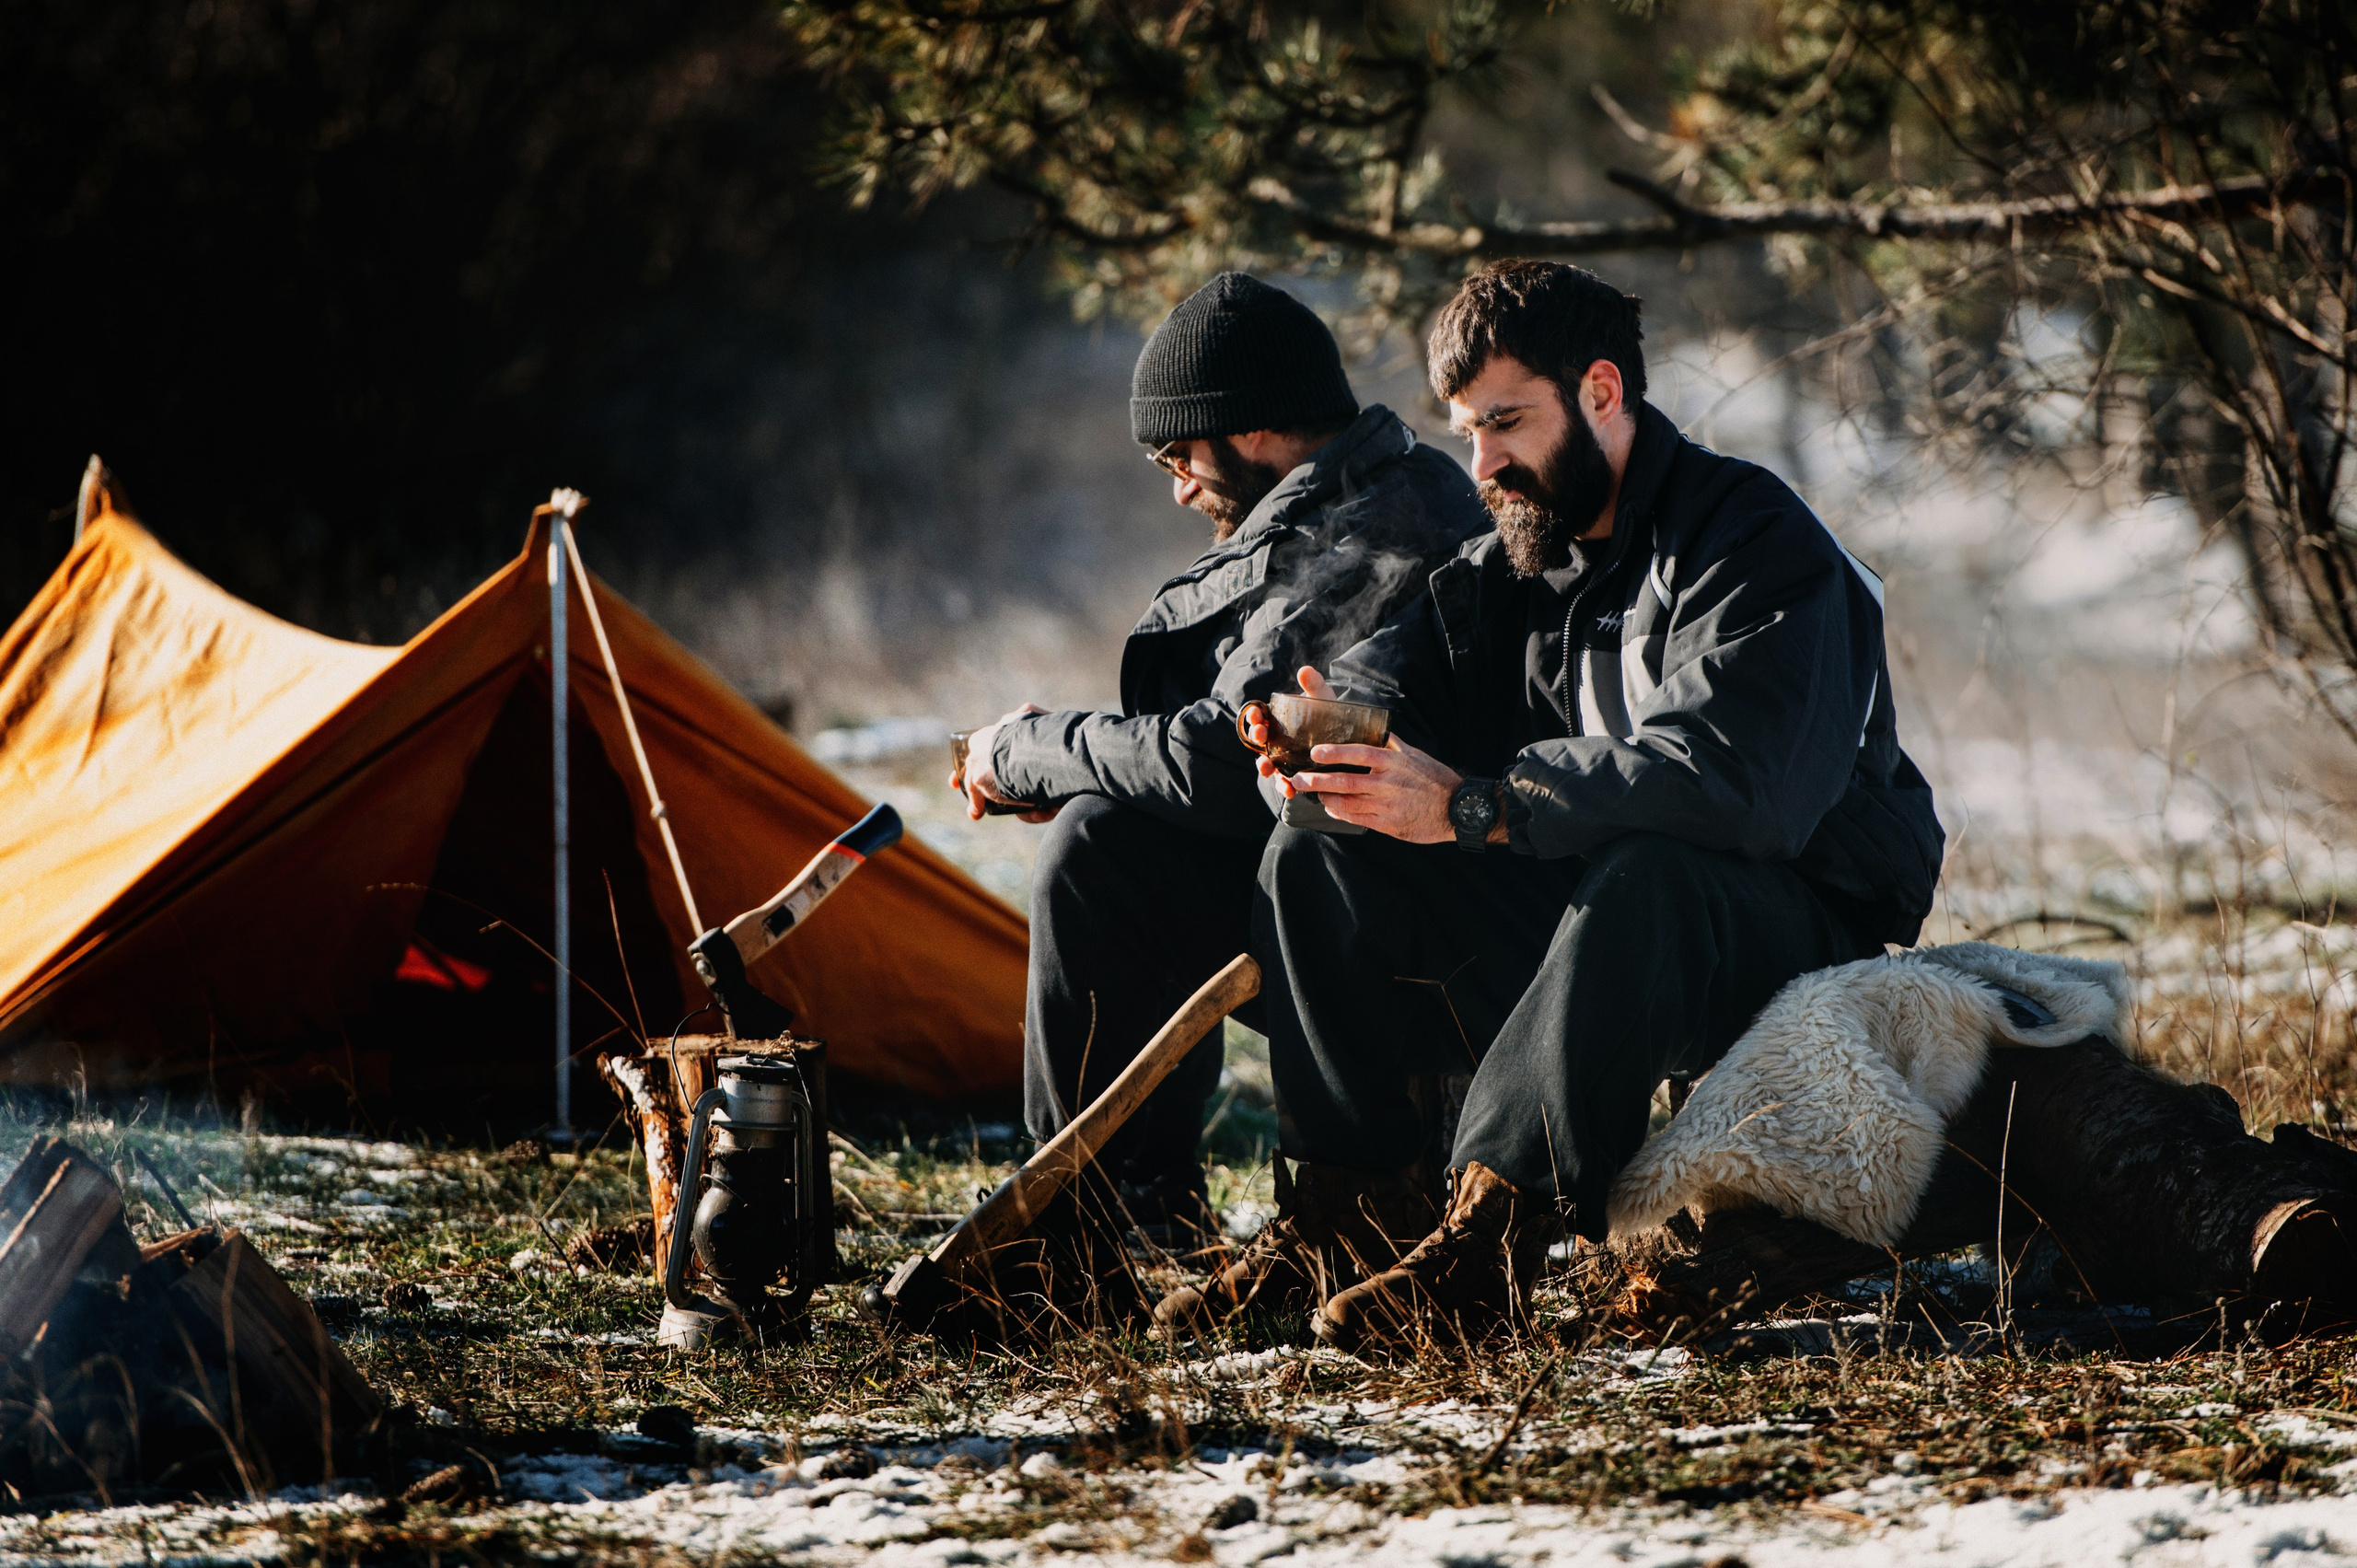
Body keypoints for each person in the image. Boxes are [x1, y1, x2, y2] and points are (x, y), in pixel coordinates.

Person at [1202, 260, 1945, 1350]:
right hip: (1606, 937)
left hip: (1787, 940)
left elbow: (1743, 789)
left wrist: (1479, 805)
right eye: (1464, 430)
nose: (1482, 461)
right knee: (1318, 848)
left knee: (1645, 871)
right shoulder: (1524, 550)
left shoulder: (1755, 541)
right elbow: (1406, 672)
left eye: (1505, 421)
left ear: (1602, 392)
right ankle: (1350, 1214)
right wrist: (1326, 736)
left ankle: (1488, 1244)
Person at [954, 272, 1491, 1255]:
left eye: (1177, 453)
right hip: (1341, 869)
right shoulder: (1350, 500)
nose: (1174, 484)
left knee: (1099, 845)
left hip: (1415, 910)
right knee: (1108, 832)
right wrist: (1084, 767)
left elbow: (1219, 754)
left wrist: (1026, 751)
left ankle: (1094, 1218)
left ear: (1246, 429)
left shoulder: (1377, 530)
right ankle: (1116, 1210)